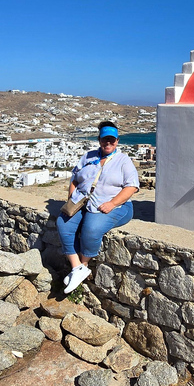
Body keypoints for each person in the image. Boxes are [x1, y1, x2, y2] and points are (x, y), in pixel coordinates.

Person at [57, 121, 139, 293]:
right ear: (99, 140)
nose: (108, 143)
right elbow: (75, 178)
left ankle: (83, 265)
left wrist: (112, 203)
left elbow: (131, 187)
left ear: (117, 141)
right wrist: (72, 198)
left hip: (116, 205)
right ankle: (77, 267)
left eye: (111, 140)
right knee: (63, 223)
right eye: (104, 140)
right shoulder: (88, 156)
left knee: (91, 228)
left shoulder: (123, 161)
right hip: (84, 202)